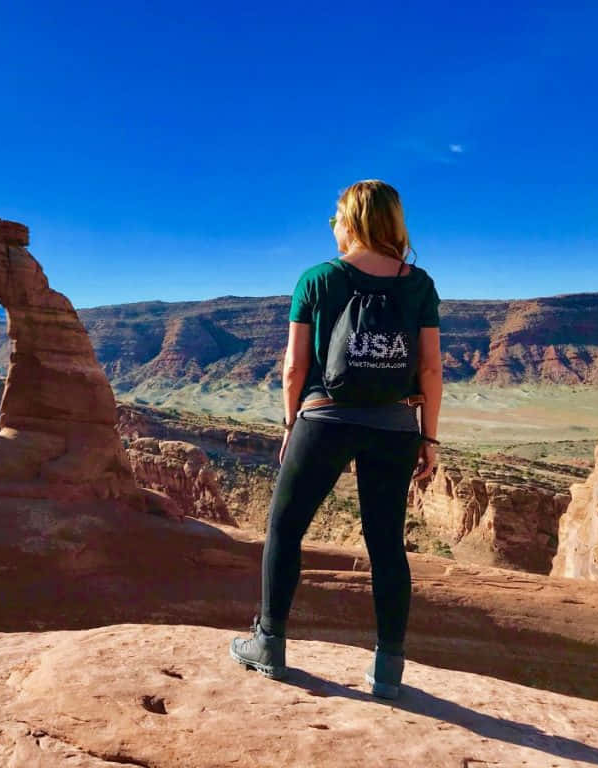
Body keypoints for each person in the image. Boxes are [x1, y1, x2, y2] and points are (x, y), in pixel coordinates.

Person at [230, 180, 442, 700]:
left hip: (323, 420)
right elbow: (432, 369)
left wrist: (290, 425)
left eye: (336, 218)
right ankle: (388, 671)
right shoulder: (419, 285)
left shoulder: (318, 279)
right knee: (386, 544)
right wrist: (428, 439)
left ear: (350, 221)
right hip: (394, 426)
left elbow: (294, 366)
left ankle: (270, 643)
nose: (334, 227)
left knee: (284, 527)